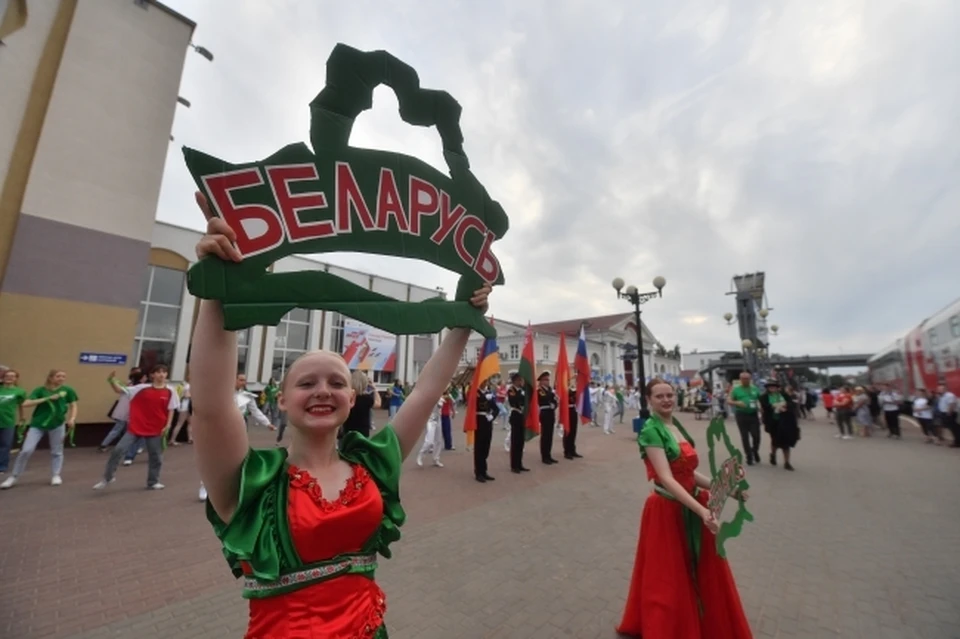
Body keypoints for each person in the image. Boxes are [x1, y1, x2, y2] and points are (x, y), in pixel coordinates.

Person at [187, 196, 491, 638]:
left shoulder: (373, 462)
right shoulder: (250, 483)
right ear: (283, 400)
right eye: (307, 384)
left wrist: (464, 317)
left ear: (352, 398)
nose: (323, 391)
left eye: (335, 382)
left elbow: (426, 390)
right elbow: (212, 408)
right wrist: (221, 288)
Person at [617, 379, 752, 638]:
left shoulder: (675, 425)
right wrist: (702, 511)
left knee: (699, 569)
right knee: (668, 577)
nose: (666, 400)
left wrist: (727, 489)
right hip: (668, 510)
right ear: (649, 400)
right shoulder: (650, 430)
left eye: (670, 395)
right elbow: (666, 478)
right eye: (660, 396)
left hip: (691, 504)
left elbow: (689, 473)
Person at [94, 365, 178, 491]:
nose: (162, 375)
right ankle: (108, 478)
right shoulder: (141, 388)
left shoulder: (171, 390)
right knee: (118, 450)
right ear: (152, 375)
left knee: (156, 456)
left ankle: (153, 482)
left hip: (156, 428)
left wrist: (168, 425)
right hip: (136, 426)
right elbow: (119, 390)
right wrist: (111, 380)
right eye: (158, 372)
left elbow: (171, 409)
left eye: (164, 372)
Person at [1, 370, 77, 489]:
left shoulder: (68, 390)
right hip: (37, 424)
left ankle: (56, 475)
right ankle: (14, 477)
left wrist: (72, 418)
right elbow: (26, 403)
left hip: (57, 424)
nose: (61, 378)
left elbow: (73, 405)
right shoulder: (40, 390)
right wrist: (47, 399)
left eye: (63, 376)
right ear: (51, 378)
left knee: (57, 451)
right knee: (26, 450)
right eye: (58, 376)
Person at [759, 380, 799, 470]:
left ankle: (787, 462)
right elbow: (765, 406)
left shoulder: (784, 395)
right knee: (775, 441)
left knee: (786, 442)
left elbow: (791, 404)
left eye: (774, 386)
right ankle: (773, 454)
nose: (772, 388)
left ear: (777, 387)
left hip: (785, 421)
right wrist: (775, 406)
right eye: (770, 387)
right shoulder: (764, 397)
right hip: (773, 422)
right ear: (767, 388)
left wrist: (785, 407)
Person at [728, 371, 762, 465]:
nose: (745, 380)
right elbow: (729, 400)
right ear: (740, 379)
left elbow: (760, 399)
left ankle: (754, 450)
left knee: (756, 436)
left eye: (747, 378)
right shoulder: (736, 390)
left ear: (750, 379)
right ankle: (749, 456)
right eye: (743, 379)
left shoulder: (755, 389)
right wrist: (737, 403)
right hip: (741, 415)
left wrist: (761, 407)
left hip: (753, 414)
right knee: (745, 436)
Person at [0, 369, 30, 474]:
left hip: (8, 422)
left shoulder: (19, 391)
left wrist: (22, 417)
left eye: (13, 376)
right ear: (3, 377)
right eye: (7, 375)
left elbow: (21, 404)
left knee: (5, 445)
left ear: (16, 379)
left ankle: (2, 467)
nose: (9, 377)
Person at [341, 370, 380, 439]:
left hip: (347, 432)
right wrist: (375, 389)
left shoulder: (347, 397)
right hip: (363, 433)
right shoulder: (367, 398)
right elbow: (378, 404)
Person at [474, 379, 498, 483]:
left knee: (486, 447)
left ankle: (484, 471)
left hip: (488, 421)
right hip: (479, 421)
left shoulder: (489, 393)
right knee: (479, 447)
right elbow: (472, 404)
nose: (484, 383)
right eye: (482, 381)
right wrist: (484, 398)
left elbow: (496, 408)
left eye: (486, 381)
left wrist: (492, 416)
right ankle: (478, 472)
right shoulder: (475, 392)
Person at [507, 372, 530, 473]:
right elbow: (514, 400)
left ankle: (520, 464)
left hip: (522, 417)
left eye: (521, 380)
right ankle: (514, 465)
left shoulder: (522, 390)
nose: (521, 382)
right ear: (515, 381)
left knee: (521, 442)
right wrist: (521, 393)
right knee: (515, 441)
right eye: (519, 380)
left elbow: (529, 399)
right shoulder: (511, 390)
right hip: (515, 415)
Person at [537, 372, 559, 464]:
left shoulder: (549, 390)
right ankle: (544, 456)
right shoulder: (540, 390)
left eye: (548, 379)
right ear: (541, 381)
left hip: (551, 412)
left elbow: (555, 401)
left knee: (550, 435)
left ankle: (549, 455)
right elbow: (544, 398)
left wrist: (555, 404)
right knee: (545, 435)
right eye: (546, 380)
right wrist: (552, 395)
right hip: (544, 413)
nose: (548, 381)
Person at [563, 381, 582, 460]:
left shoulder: (573, 389)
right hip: (567, 411)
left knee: (573, 431)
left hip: (573, 410)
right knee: (568, 431)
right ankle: (567, 451)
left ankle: (572, 450)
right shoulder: (563, 389)